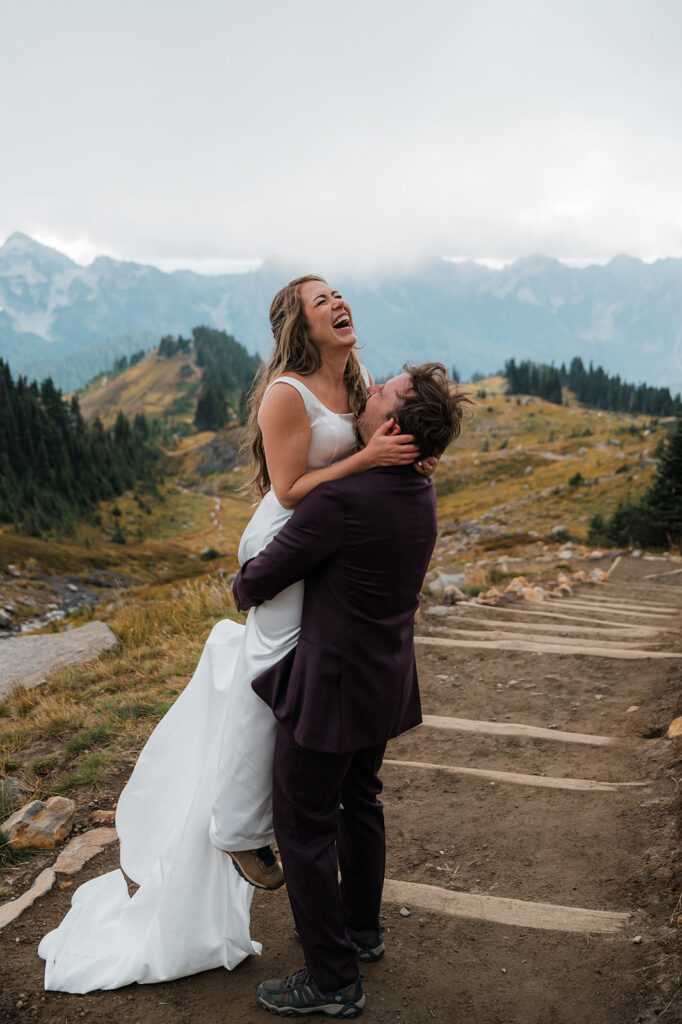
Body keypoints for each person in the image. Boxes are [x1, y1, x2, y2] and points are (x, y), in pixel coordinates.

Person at [37, 276, 429, 993]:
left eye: (340, 293)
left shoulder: (362, 379)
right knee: (270, 666)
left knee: (327, 739)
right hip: (295, 536)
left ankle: (321, 903)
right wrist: (368, 464)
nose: (338, 303)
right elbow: (287, 490)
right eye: (321, 301)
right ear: (298, 324)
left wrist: (411, 456)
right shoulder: (289, 392)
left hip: (332, 544)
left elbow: (383, 434)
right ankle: (243, 825)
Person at [230, 362, 468, 1017]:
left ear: (390, 425)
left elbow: (261, 579)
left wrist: (241, 583)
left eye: (385, 389)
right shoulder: (419, 491)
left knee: (301, 825)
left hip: (330, 690)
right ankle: (362, 931)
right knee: (359, 802)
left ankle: (332, 978)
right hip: (383, 680)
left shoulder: (342, 500)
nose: (371, 387)